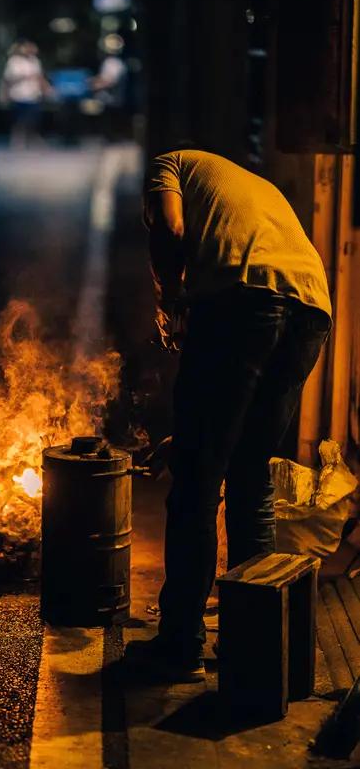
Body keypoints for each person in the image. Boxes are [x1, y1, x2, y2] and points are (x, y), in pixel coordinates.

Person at [126, 147, 332, 683]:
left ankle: (180, 646)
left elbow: (170, 229)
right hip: (313, 307)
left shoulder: (166, 166)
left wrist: (170, 296)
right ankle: (252, 648)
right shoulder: (242, 184)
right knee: (248, 472)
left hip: (244, 297)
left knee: (196, 482)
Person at [0, 40, 52, 149]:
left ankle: (33, 138)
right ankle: (17, 140)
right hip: (18, 94)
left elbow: (39, 76)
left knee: (34, 118)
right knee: (19, 119)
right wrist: (4, 94)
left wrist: (47, 88)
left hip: (33, 94)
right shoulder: (14, 61)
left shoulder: (35, 61)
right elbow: (8, 79)